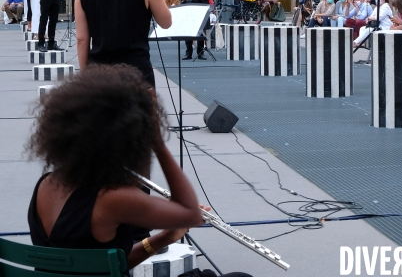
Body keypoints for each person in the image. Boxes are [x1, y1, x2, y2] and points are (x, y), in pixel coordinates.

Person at [27, 66, 252, 277]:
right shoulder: (113, 198)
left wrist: (166, 237)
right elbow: (190, 212)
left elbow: (109, 264)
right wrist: (158, 142)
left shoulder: (45, 185)